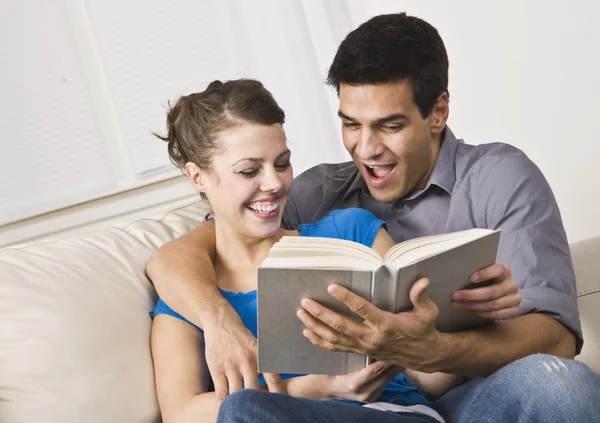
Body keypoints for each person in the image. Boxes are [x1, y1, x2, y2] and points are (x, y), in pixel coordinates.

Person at [147, 13, 600, 423]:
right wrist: (217, 319)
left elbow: (555, 342)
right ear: (198, 176)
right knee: (246, 409)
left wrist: (443, 338)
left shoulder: (488, 181)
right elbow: (183, 254)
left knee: (561, 384)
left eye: (390, 125)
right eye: (350, 123)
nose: (365, 149)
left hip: (464, 400)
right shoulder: (316, 193)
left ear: (437, 112)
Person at [150, 78, 513, 423]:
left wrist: (458, 319)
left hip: (395, 415)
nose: (274, 184)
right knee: (243, 410)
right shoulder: (186, 299)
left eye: (282, 163)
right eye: (249, 171)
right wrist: (313, 389)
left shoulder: (350, 233)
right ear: (197, 176)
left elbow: (428, 379)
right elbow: (182, 415)